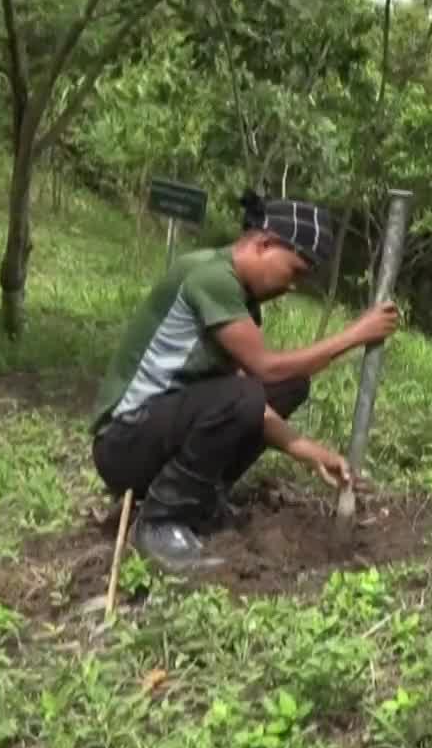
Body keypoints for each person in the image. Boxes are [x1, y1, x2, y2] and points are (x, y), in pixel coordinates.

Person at [88, 191, 400, 570]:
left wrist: (309, 451)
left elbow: (249, 394)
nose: (292, 286)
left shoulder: (238, 295)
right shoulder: (212, 278)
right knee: (251, 390)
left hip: (161, 430)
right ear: (264, 244)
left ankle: (200, 495)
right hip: (123, 444)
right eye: (295, 270)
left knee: (288, 387)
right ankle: (160, 521)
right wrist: (355, 335)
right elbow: (261, 371)